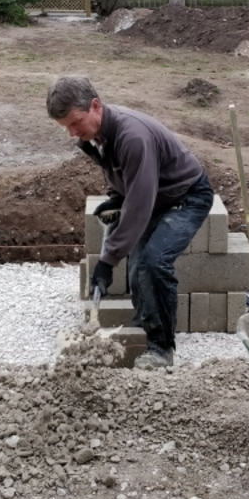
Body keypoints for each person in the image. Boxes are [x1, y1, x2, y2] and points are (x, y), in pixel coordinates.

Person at [47, 75, 214, 369]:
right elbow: (119, 174)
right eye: (67, 128)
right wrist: (116, 196)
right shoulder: (99, 134)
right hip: (159, 198)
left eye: (76, 123)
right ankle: (144, 326)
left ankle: (161, 349)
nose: (73, 133)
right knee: (137, 264)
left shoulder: (132, 135)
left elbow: (139, 206)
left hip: (186, 197)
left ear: (95, 106)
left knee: (154, 261)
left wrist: (107, 260)